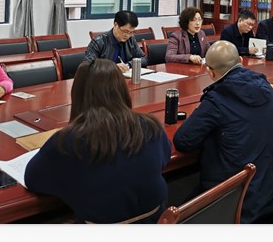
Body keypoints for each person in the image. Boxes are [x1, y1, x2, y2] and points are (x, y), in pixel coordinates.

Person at [25, 59, 171, 223]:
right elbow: (165, 157)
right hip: (156, 221)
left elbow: (32, 179)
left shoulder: (67, 141)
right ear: (122, 89)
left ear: (78, 94)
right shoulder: (150, 126)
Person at [172, 41, 273, 223]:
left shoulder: (218, 98)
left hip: (239, 201)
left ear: (210, 72)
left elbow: (183, 141)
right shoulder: (266, 87)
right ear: (241, 60)